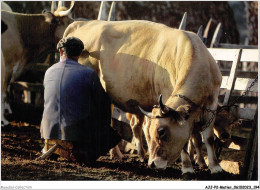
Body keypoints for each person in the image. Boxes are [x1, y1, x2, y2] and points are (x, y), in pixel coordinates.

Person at [40, 37, 121, 164]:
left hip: (47, 132)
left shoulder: (49, 72)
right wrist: (104, 126)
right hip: (75, 135)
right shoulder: (88, 74)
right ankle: (80, 153)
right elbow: (103, 103)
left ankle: (50, 146)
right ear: (80, 54)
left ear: (61, 52)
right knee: (112, 136)